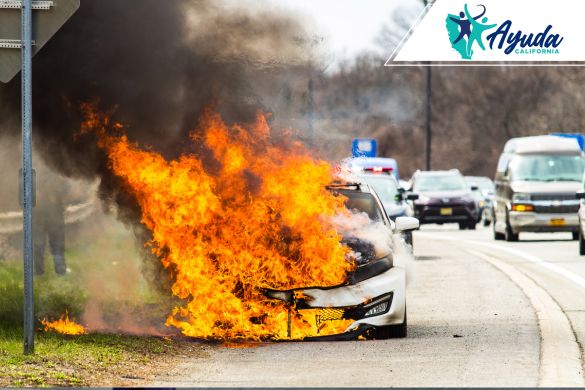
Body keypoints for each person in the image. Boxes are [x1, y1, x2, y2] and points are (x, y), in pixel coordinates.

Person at [33, 167, 68, 276]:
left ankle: (40, 273)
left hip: (42, 217)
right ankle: (60, 272)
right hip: (50, 217)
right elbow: (67, 190)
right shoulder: (57, 174)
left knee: (40, 246)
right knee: (56, 246)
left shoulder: (35, 175)